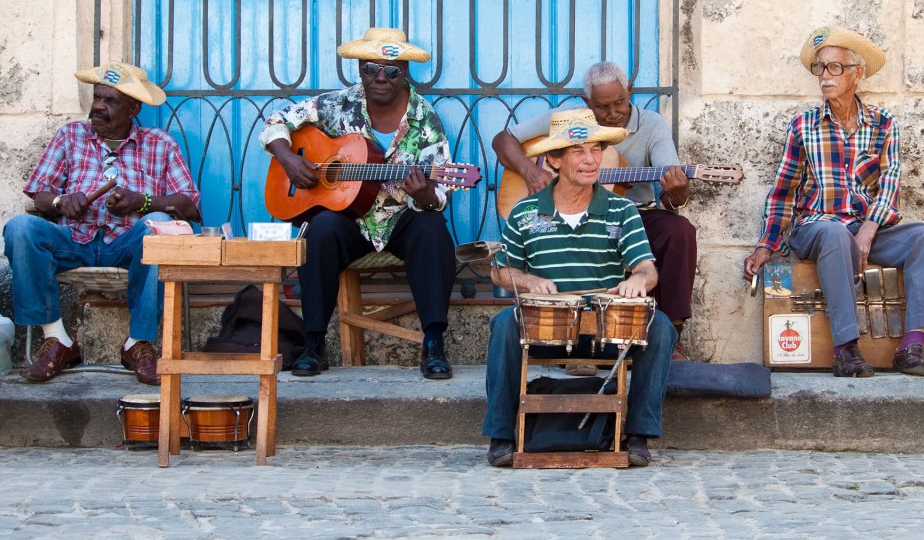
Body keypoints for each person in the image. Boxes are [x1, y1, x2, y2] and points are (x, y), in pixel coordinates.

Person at [743, 26, 924, 378]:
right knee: (836, 235)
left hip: (867, 227)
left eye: (834, 67)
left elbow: (890, 184)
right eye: (820, 67)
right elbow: (783, 191)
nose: (825, 75)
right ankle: (845, 349)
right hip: (816, 228)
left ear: (857, 73)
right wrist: (766, 245)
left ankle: (912, 346)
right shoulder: (803, 126)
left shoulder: (884, 124)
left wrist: (869, 228)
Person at [260, 27, 456, 380]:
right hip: (348, 217)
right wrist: (289, 159)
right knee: (318, 231)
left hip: (399, 217)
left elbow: (440, 192)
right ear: (359, 69)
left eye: (391, 70)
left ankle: (433, 342)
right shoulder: (335, 104)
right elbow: (276, 121)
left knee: (433, 229)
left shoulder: (426, 120)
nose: (380, 77)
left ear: (405, 72)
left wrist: (426, 195)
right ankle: (314, 343)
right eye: (370, 68)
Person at [484, 109, 677, 467]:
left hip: (606, 328)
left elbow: (647, 268)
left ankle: (638, 435)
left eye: (596, 150)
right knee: (504, 325)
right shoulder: (525, 211)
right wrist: (528, 280)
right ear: (554, 160)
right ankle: (500, 435)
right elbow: (499, 272)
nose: (591, 160)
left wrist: (638, 280)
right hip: (546, 326)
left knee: (661, 326)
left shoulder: (621, 210)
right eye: (578, 151)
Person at [4, 62, 201, 384]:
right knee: (20, 228)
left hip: (126, 246)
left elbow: (189, 205)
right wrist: (60, 201)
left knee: (158, 225)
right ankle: (57, 339)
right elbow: (39, 193)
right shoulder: (71, 135)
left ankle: (138, 343)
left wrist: (143, 202)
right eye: (97, 98)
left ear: (134, 108)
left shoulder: (159, 143)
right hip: (73, 241)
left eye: (111, 101)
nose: (98, 106)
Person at [492, 62, 696, 358]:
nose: (613, 114)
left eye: (620, 103)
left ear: (630, 92)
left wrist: (678, 193)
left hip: (632, 213)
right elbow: (503, 140)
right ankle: (573, 335)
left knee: (680, 231)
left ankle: (670, 336)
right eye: (602, 107)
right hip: (571, 213)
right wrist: (529, 171)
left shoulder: (650, 125)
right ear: (587, 103)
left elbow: (669, 195)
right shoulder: (567, 121)